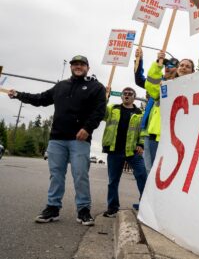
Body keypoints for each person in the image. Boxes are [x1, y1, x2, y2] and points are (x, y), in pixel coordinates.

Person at [8, 55, 106, 225]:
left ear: (87, 68)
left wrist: (87, 128)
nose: (78, 66)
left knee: (80, 174)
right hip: (57, 139)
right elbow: (40, 99)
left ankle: (83, 210)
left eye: (81, 64)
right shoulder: (60, 86)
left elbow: (99, 111)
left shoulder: (96, 87)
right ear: (71, 67)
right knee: (56, 175)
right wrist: (18, 94)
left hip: (80, 140)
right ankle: (52, 208)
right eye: (75, 64)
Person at [101, 87, 147, 217]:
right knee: (113, 181)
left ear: (134, 97)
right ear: (121, 96)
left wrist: (141, 144)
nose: (127, 95)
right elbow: (101, 114)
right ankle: (113, 207)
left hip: (133, 151)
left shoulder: (140, 113)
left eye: (130, 94)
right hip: (114, 150)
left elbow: (143, 131)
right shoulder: (112, 108)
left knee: (142, 176)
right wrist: (105, 99)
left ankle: (144, 205)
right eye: (124, 93)